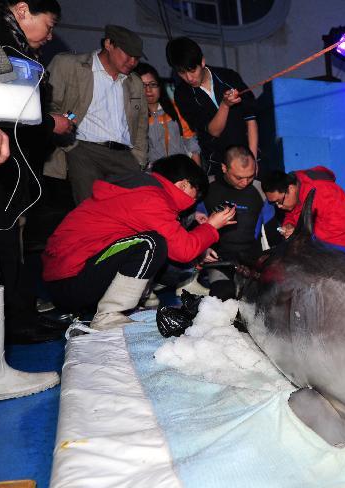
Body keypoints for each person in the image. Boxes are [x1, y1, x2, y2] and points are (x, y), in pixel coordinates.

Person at [0, 0, 73, 344]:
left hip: (12, 158)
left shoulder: (8, 36)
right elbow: (2, 102)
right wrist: (48, 122)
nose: (51, 34)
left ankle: (21, 316)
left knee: (15, 244)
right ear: (24, 10)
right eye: (50, 24)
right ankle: (9, 328)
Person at [41, 154, 236, 330]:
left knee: (156, 242)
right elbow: (183, 250)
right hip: (71, 281)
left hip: (68, 276)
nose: (195, 200)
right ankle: (109, 315)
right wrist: (211, 226)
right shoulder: (150, 198)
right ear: (184, 185)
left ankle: (140, 297)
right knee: (153, 243)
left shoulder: (141, 189)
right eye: (196, 193)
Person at [43, 24, 147, 204]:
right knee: (90, 213)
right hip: (84, 150)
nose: (132, 62)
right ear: (109, 44)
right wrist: (70, 145)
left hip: (124, 156)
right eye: (128, 54)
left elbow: (140, 125)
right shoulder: (70, 65)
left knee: (132, 212)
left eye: (136, 58)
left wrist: (138, 159)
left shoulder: (134, 83)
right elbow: (49, 105)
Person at [166, 36, 257, 176]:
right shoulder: (182, 95)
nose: (189, 78)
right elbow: (214, 131)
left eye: (192, 70)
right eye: (182, 73)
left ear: (202, 62)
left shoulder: (229, 77)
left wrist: (253, 160)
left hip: (248, 158)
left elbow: (251, 120)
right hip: (218, 166)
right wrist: (225, 105)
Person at [200, 145, 272, 299]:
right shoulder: (205, 188)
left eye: (250, 176)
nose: (245, 182)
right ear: (224, 168)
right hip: (218, 261)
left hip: (252, 261)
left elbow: (272, 232)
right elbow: (190, 226)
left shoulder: (261, 190)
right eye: (239, 177)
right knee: (223, 296)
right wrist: (201, 250)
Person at [262, 167, 345, 250]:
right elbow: (292, 213)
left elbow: (338, 225)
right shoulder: (294, 190)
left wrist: (301, 233)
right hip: (322, 241)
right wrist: (289, 224)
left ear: (291, 188)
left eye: (279, 201)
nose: (279, 206)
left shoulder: (322, 191)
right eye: (274, 203)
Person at [135, 62, 200, 167]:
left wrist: (198, 173)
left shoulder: (175, 109)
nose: (148, 90)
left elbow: (191, 143)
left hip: (182, 170)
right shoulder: (132, 117)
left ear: (159, 86)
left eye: (153, 84)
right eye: (143, 86)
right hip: (154, 175)